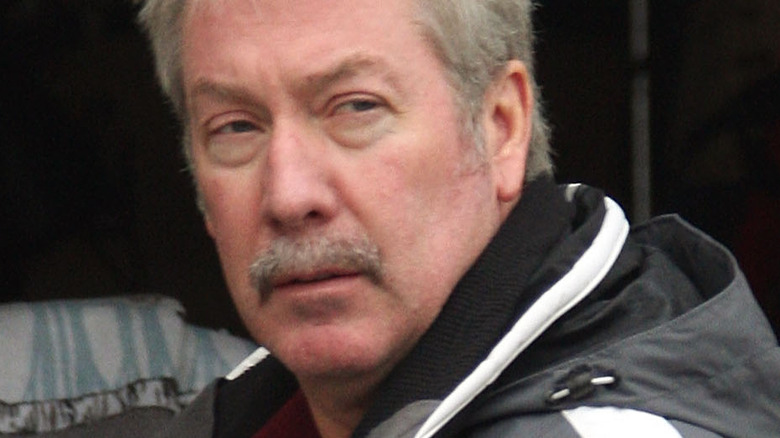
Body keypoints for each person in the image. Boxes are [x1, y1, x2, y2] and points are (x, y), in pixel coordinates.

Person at [136, 0, 780, 437]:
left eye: (355, 108)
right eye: (237, 127)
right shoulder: (257, 411)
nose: (287, 194)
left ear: (501, 128)